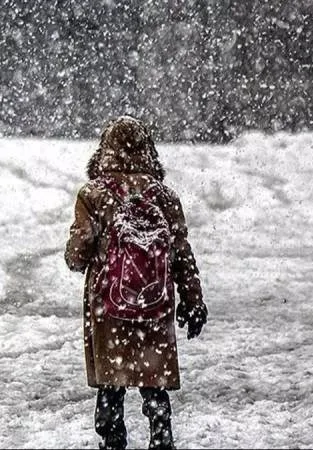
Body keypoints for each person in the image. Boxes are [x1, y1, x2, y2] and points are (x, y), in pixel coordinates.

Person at [64, 116, 207, 450]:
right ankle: (160, 436)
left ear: (104, 152)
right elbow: (182, 254)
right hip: (154, 306)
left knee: (111, 383)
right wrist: (193, 300)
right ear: (149, 152)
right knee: (152, 379)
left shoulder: (93, 195)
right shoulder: (165, 197)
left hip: (108, 304)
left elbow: (78, 253)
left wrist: (78, 253)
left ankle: (112, 438)